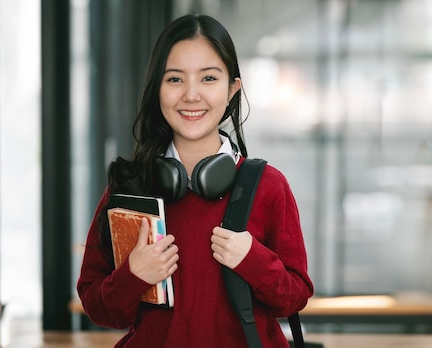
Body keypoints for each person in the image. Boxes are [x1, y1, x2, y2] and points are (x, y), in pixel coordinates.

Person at [77, 14, 314, 347]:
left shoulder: (268, 186)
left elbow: (294, 298)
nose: (191, 95)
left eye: (208, 78)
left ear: (232, 88)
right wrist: (133, 276)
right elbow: (98, 307)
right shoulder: (131, 187)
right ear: (157, 87)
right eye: (174, 79)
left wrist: (253, 260)